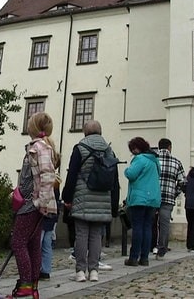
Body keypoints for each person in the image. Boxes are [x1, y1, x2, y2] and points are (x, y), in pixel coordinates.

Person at [62, 120, 120, 282]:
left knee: (81, 235)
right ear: (100, 132)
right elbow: (114, 180)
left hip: (82, 197)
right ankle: (94, 271)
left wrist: (67, 197)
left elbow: (71, 175)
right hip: (103, 199)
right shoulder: (109, 150)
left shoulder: (80, 148)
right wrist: (113, 205)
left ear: (85, 132)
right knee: (96, 236)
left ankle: (80, 272)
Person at [9, 111, 59, 298]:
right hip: (32, 202)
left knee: (18, 242)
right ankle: (32, 284)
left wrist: (40, 202)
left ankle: (26, 283)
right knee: (32, 244)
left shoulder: (38, 147)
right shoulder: (42, 147)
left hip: (31, 204)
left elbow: (47, 176)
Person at [124, 137, 161, 266]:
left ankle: (133, 257)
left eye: (133, 148)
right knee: (147, 227)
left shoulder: (140, 159)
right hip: (153, 199)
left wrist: (126, 170)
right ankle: (144, 258)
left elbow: (131, 174)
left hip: (139, 198)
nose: (132, 152)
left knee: (138, 227)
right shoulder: (154, 161)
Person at [154, 138, 186, 259]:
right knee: (164, 224)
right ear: (169, 147)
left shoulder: (153, 160)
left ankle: (149, 247)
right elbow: (183, 182)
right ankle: (162, 249)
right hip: (168, 198)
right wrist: (174, 192)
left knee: (150, 223)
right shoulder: (176, 162)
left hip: (152, 196)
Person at [40, 187, 60, 280]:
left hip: (42, 214)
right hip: (52, 214)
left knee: (38, 244)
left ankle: (36, 269)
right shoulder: (55, 183)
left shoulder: (44, 180)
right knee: (47, 244)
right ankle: (45, 270)